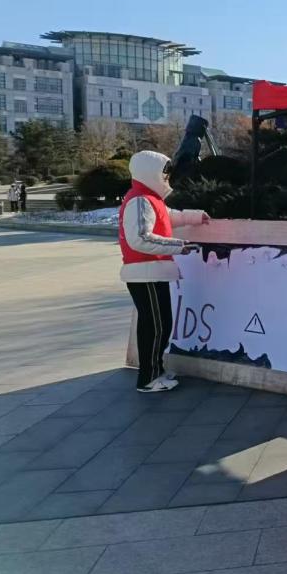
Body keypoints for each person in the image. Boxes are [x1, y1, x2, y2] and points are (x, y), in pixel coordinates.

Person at [119, 150, 209, 393]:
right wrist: (179, 246)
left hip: (151, 272)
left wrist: (195, 217)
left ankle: (154, 371)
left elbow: (168, 217)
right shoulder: (139, 200)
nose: (167, 177)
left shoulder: (149, 199)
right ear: (150, 172)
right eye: (164, 172)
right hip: (144, 272)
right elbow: (140, 238)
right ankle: (148, 378)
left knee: (160, 324)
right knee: (155, 326)